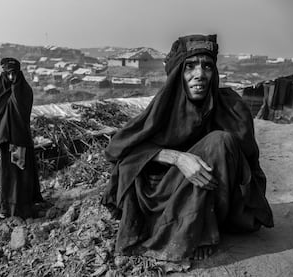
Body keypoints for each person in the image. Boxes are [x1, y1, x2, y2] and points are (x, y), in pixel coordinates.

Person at [101, 34, 274, 263]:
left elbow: (250, 168)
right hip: (167, 197)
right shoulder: (164, 107)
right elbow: (118, 151)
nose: (199, 75)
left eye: (207, 67)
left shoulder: (232, 108)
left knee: (220, 142)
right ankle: (185, 228)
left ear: (214, 74)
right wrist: (178, 158)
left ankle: (201, 228)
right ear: (177, 75)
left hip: (218, 198)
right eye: (189, 67)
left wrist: (213, 156)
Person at [0, 57, 43, 219]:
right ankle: (7, 207)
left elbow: (22, 110)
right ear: (3, 74)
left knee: (22, 173)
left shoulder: (24, 90)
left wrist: (15, 90)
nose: (11, 78)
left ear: (19, 73)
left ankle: (25, 207)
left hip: (20, 140)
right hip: (6, 141)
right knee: (9, 175)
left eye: (14, 74)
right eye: (8, 74)